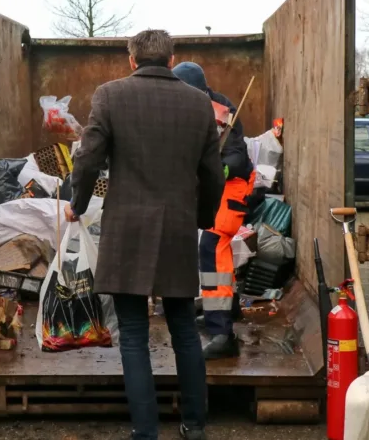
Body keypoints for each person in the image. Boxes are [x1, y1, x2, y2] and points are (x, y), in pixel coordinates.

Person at [65, 30, 224, 440]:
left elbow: (87, 160)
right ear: (171, 60)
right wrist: (201, 217)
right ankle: (195, 425)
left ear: (131, 59)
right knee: (185, 330)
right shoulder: (198, 104)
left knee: (133, 334)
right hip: (176, 228)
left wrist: (76, 204)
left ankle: (146, 432)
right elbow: (212, 174)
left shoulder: (109, 95)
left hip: (127, 230)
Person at [172, 62, 256, 360]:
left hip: (232, 186)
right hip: (216, 187)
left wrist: (215, 167)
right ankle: (224, 310)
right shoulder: (188, 108)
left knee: (212, 246)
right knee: (213, 249)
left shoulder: (222, 110)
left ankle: (222, 333)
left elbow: (235, 156)